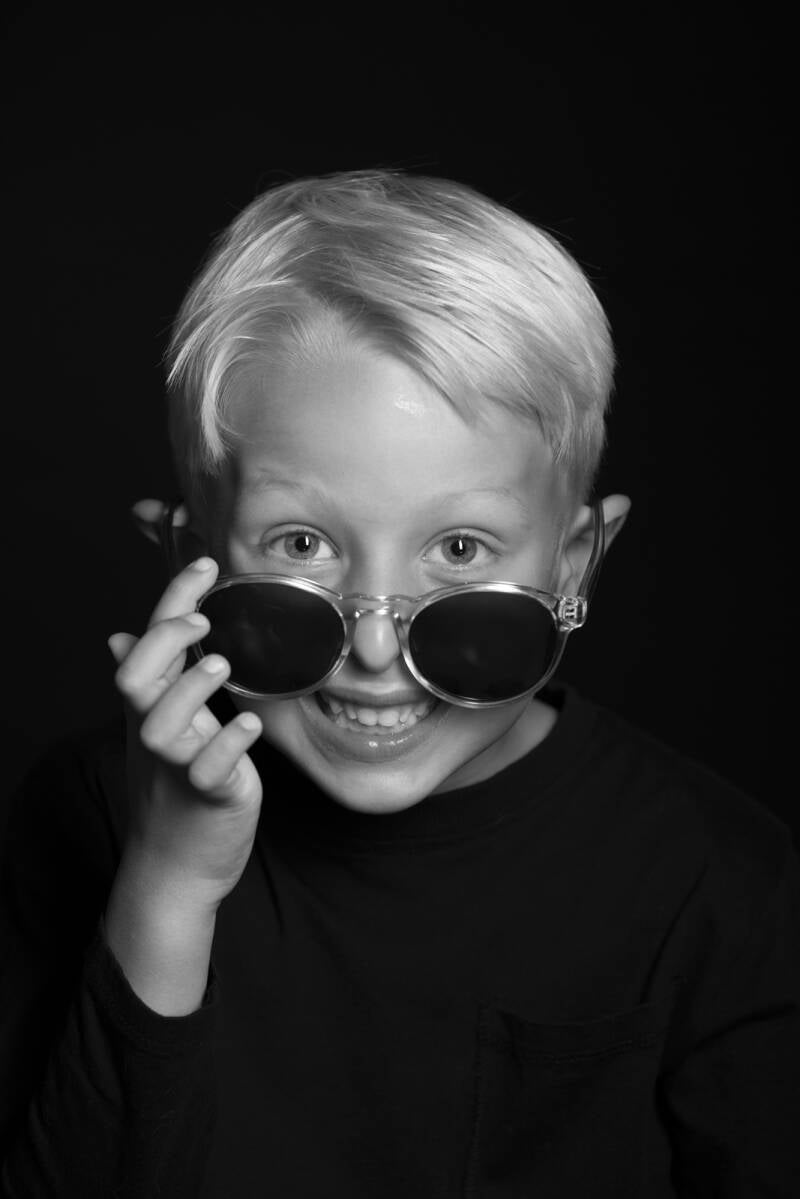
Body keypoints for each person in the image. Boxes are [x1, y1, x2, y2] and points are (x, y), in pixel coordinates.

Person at [1, 168, 798, 1198]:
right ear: (185, 554)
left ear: (575, 564)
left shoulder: (721, 885)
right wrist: (166, 883)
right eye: (301, 542)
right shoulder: (90, 817)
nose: (374, 651)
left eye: (459, 547)